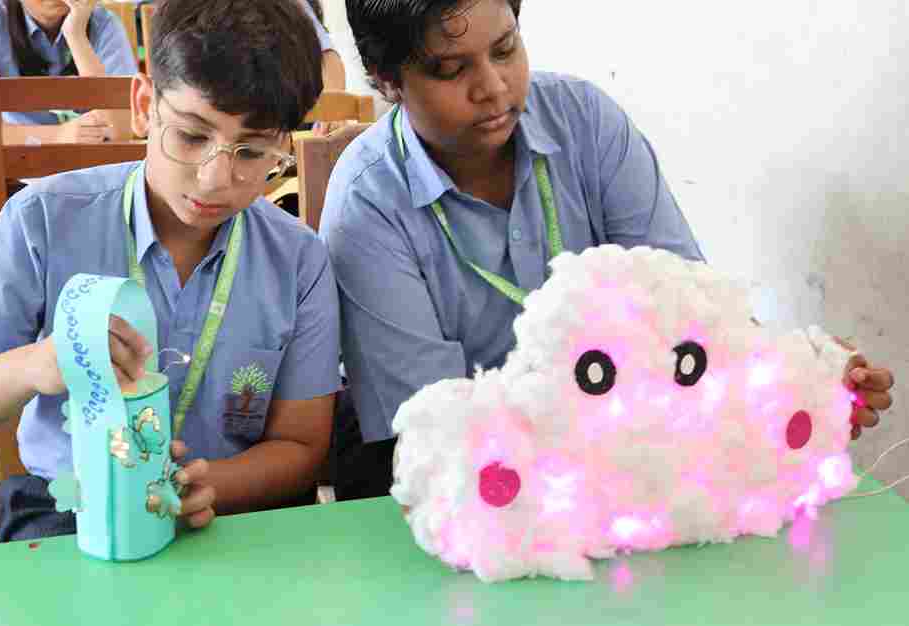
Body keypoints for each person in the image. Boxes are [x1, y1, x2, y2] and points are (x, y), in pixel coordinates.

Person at [319, 0, 895, 499]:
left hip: (609, 442)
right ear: (386, 80)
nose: (492, 87)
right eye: (451, 69)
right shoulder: (367, 203)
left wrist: (793, 376)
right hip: (453, 480)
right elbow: (435, 432)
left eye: (505, 49)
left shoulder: (585, 123)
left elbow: (685, 306)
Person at [0, 0, 340, 541]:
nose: (215, 178)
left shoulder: (299, 260)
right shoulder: (43, 221)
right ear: (145, 105)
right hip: (71, 507)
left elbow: (302, 446)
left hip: (229, 512)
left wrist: (208, 485)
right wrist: (34, 365)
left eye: (251, 151)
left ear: (284, 143)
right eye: (191, 136)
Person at [0, 0, 138, 147]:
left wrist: (76, 35)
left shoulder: (105, 24)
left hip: (93, 165)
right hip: (21, 160)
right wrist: (58, 135)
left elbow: (120, 131)